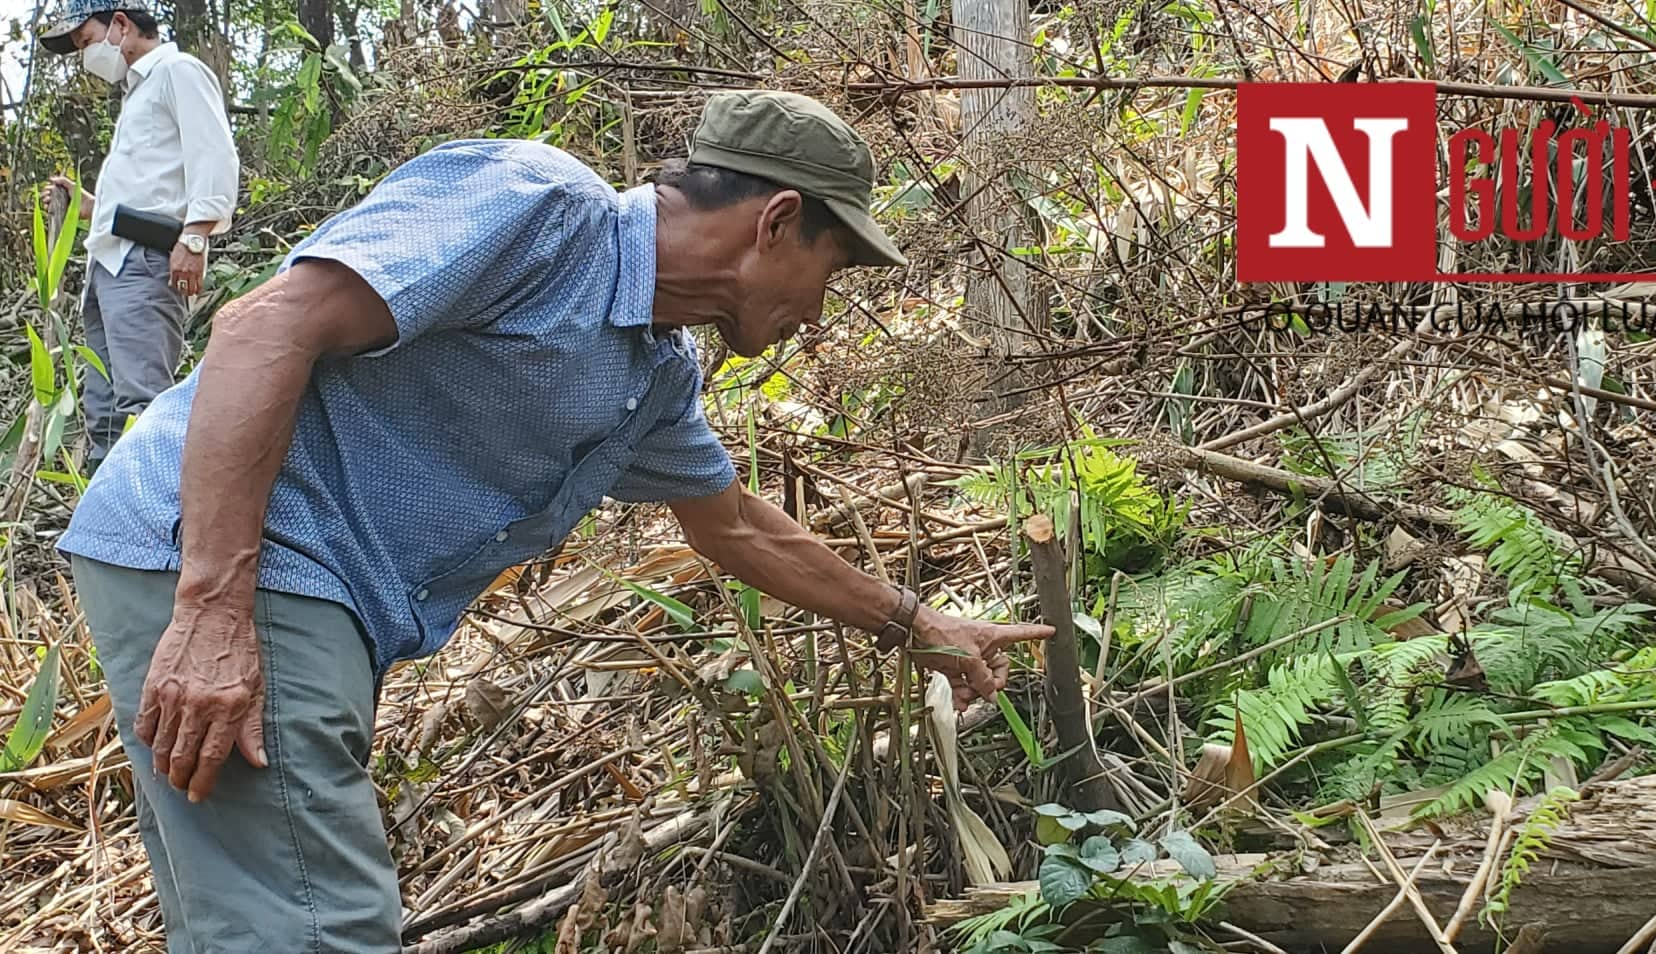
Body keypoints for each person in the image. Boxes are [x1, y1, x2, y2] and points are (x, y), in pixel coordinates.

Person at [58, 90, 1052, 952]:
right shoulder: (534, 208)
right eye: (831, 273)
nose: (822, 314)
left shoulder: (650, 376)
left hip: (288, 593)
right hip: (236, 558)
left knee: (254, 915)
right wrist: (215, 606)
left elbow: (735, 528)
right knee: (319, 928)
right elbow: (265, 326)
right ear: (777, 221)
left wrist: (922, 628)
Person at [39, 0, 239, 476]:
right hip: (109, 263)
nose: (86, 57)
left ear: (122, 25)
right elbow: (153, 186)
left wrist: (194, 240)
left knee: (143, 406)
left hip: (146, 263)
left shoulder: (177, 72)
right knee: (105, 413)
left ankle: (152, 535)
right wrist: (87, 206)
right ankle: (106, 534)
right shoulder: (137, 93)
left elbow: (215, 158)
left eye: (86, 41)